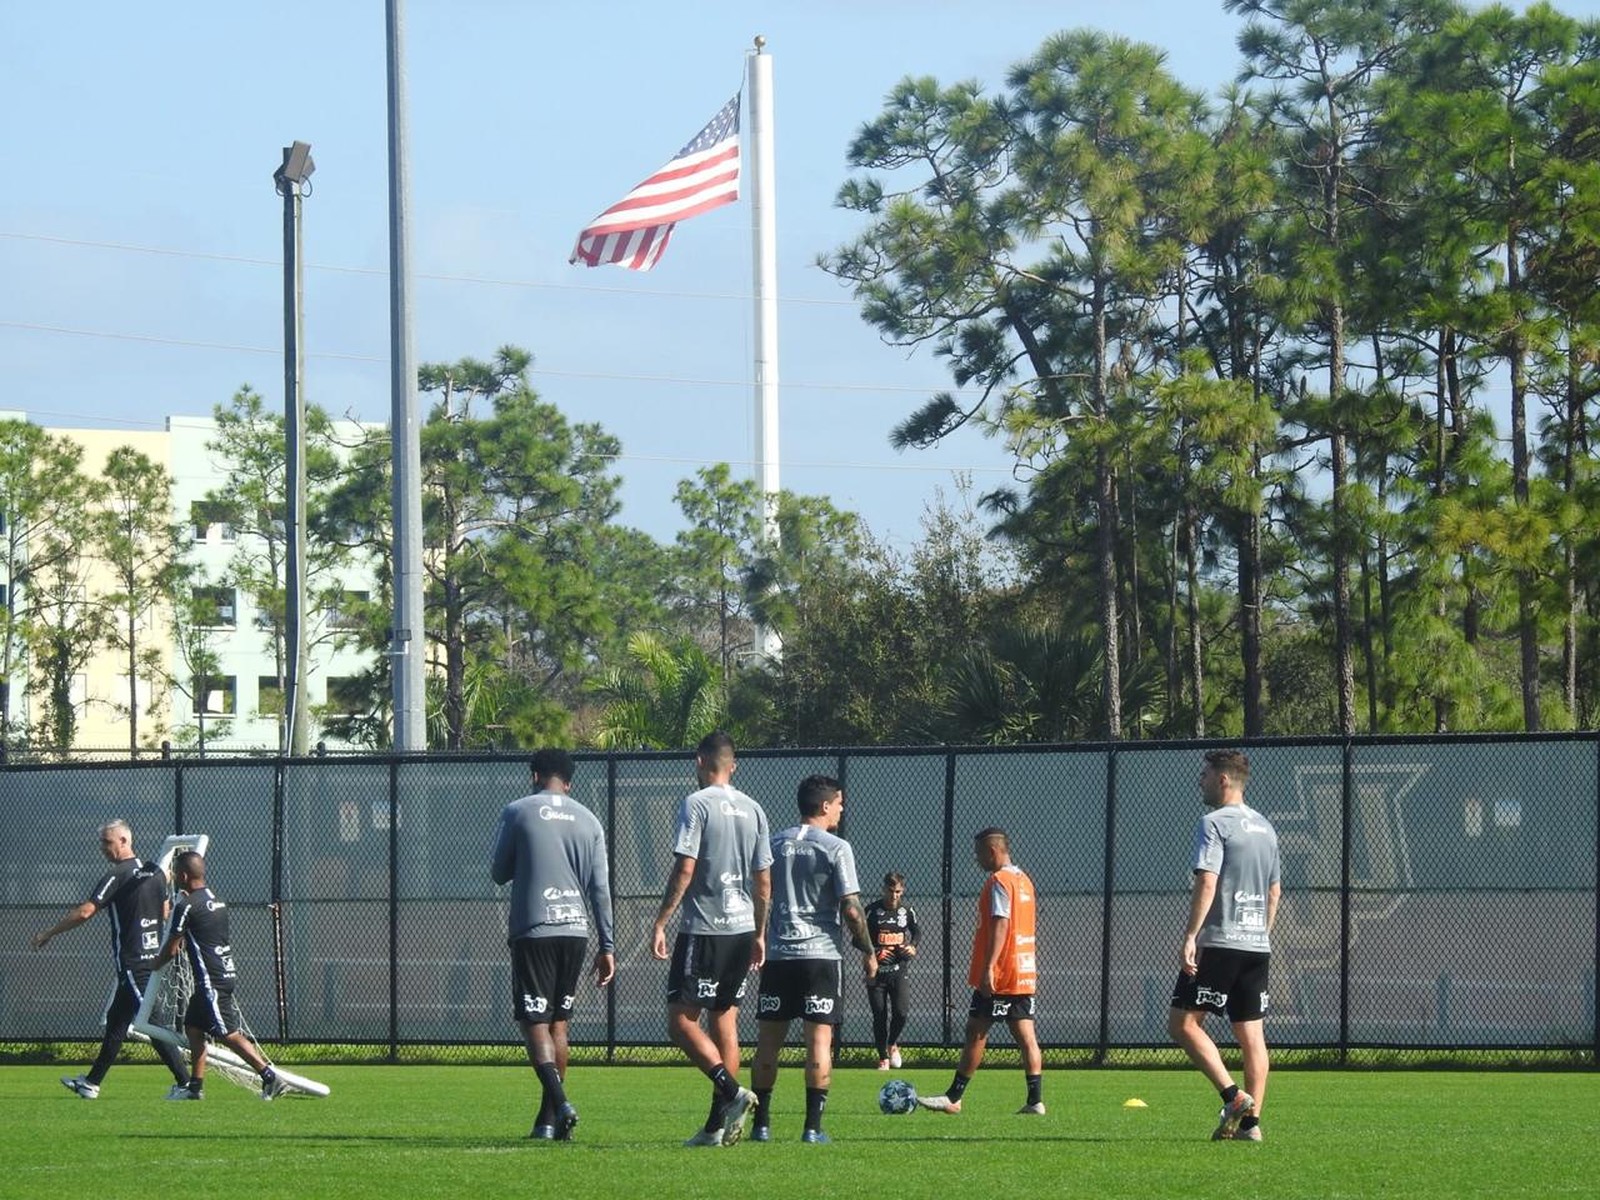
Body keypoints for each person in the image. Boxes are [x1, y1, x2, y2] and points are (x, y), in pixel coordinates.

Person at [651, 730, 772, 1148]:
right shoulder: (754, 809)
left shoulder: (696, 803)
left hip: (705, 928)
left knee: (681, 1022)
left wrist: (661, 921)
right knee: (725, 1021)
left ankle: (732, 1090)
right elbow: (763, 881)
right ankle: (715, 1128)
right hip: (741, 931)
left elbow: (685, 869)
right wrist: (759, 932)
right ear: (733, 765)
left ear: (699, 762)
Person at [490, 748, 615, 1141]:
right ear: (570, 781)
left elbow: (498, 872)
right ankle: (548, 1121)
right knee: (560, 1023)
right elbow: (600, 889)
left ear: (534, 776)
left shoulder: (519, 810)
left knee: (535, 1024)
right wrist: (607, 945)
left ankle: (560, 1103)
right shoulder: (590, 819)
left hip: (536, 928)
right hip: (576, 931)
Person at [748, 775, 877, 1144]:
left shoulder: (773, 843)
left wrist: (760, 935)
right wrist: (867, 950)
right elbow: (852, 910)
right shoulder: (836, 847)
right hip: (820, 956)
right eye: (839, 802)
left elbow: (761, 893)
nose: (841, 808)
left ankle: (762, 1126)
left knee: (768, 1040)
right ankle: (812, 1128)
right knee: (818, 1041)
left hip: (779, 956)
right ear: (824, 806)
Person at [30, 819, 191, 1100]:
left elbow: (85, 912)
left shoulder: (117, 875)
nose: (103, 848)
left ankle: (188, 1084)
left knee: (152, 1024)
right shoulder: (156, 873)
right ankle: (91, 1083)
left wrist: (49, 932)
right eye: (102, 842)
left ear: (125, 841)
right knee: (117, 1022)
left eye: (108, 842)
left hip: (134, 963)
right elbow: (165, 912)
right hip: (148, 959)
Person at [1168, 748, 1281, 1142]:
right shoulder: (1266, 827)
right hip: (1256, 945)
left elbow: (1207, 880)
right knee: (1252, 1035)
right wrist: (1261, 934)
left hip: (1219, 942)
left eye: (1205, 774)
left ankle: (1233, 1097)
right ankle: (1252, 1126)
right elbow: (1274, 890)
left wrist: (1190, 936)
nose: (1199, 780)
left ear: (1223, 779)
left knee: (1182, 1023)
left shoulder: (1214, 822)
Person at [917, 828, 1043, 1116]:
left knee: (976, 1031)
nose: (977, 860)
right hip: (1023, 970)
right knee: (1026, 1036)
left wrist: (989, 967)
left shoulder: (999, 881)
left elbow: (1001, 922)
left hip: (1001, 973)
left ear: (992, 851)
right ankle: (1036, 1101)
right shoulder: (1024, 881)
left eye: (978, 853)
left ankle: (953, 1097)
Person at [152, 851, 285, 1101]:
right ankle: (195, 1087)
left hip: (210, 981)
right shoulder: (218, 902)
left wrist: (154, 964)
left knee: (228, 1034)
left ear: (182, 875)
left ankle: (270, 1077)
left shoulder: (187, 906)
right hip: (222, 974)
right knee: (193, 1027)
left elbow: (172, 948)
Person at [864, 871, 919, 1070]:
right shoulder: (872, 911)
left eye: (897, 892)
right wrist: (873, 953)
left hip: (899, 970)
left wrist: (912, 945)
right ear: (883, 889)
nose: (894, 895)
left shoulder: (907, 911)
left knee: (901, 1012)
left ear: (902, 891)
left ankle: (892, 1043)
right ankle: (882, 1057)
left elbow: (916, 931)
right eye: (890, 891)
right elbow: (859, 939)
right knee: (879, 1014)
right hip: (876, 974)